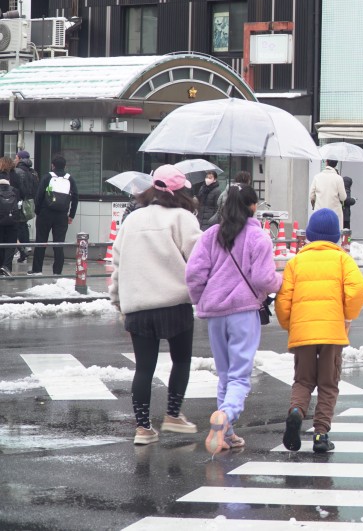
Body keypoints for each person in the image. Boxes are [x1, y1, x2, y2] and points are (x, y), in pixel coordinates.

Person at [186, 183, 282, 454]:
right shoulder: (259, 237)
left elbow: (193, 274)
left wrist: (201, 298)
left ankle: (225, 434)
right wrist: (281, 282)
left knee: (225, 375)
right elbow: (264, 278)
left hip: (215, 314)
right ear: (252, 207)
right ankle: (225, 416)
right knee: (240, 377)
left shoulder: (211, 235)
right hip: (243, 313)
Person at [110, 165, 202, 445]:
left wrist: (118, 300)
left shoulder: (132, 220)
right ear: (181, 191)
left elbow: (117, 264)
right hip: (175, 303)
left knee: (144, 368)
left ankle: (142, 428)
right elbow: (198, 263)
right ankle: (173, 414)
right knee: (181, 360)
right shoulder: (183, 218)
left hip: (138, 305)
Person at [276, 208, 363, 453]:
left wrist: (289, 325)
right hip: (332, 333)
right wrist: (347, 315)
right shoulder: (342, 260)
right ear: (336, 236)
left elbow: (283, 300)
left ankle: (296, 411)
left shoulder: (296, 262)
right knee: (328, 383)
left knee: (303, 380)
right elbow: (357, 290)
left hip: (303, 334)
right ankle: (321, 435)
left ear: (309, 235)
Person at [32, 154, 78, 276]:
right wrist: (71, 215)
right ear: (65, 166)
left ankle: (37, 270)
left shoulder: (47, 177)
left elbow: (39, 196)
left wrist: (38, 211)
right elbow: (75, 197)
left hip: (45, 214)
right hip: (62, 216)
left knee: (41, 241)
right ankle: (57, 271)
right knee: (59, 244)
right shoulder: (70, 179)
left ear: (52, 165)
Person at [12, 150, 37, 264]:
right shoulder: (33, 173)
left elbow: (16, 188)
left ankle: (21, 249)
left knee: (16, 225)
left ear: (20, 159)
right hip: (30, 202)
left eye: (16, 157)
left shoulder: (16, 171)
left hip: (18, 202)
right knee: (23, 225)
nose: (15, 159)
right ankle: (26, 247)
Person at [0, 163, 24, 276]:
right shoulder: (15, 190)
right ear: (8, 180)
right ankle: (7, 267)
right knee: (10, 245)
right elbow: (20, 204)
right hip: (13, 221)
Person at [309, 160, 347, 231]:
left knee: (320, 233)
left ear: (326, 162)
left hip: (319, 212)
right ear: (336, 164)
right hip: (334, 214)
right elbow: (343, 197)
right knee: (333, 236)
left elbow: (311, 195)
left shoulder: (317, 177)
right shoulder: (339, 178)